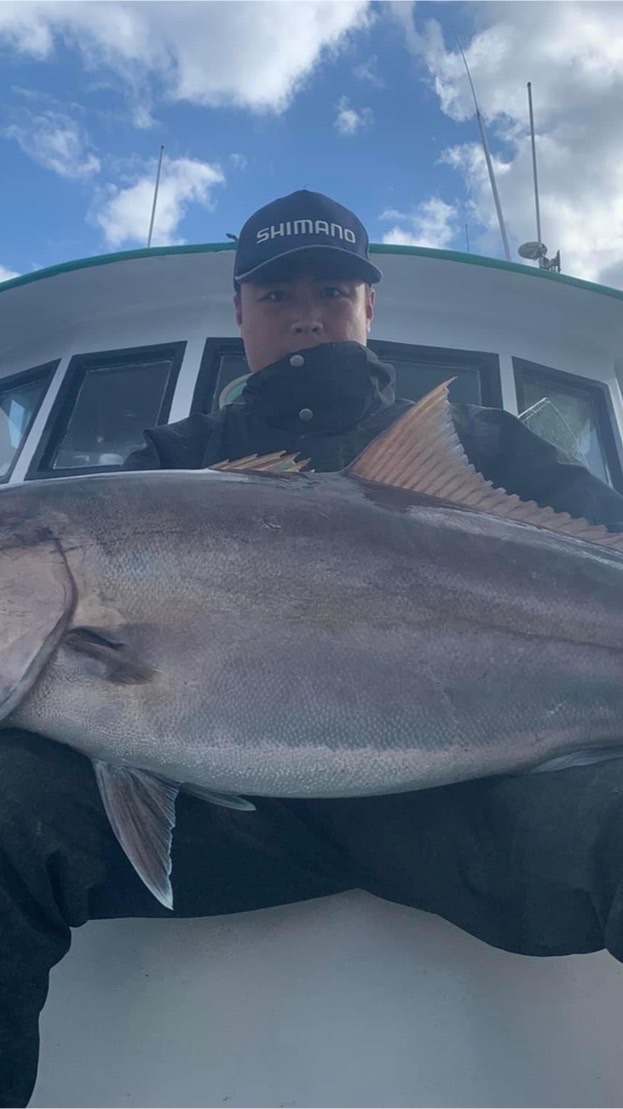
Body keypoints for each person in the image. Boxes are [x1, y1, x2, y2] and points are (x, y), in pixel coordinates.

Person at [3, 190, 623, 1108]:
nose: (305, 311)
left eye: (333, 289)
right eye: (275, 292)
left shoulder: (486, 448)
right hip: (244, 815)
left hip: (482, 791)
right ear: (241, 313)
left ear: (369, 308)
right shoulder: (176, 460)